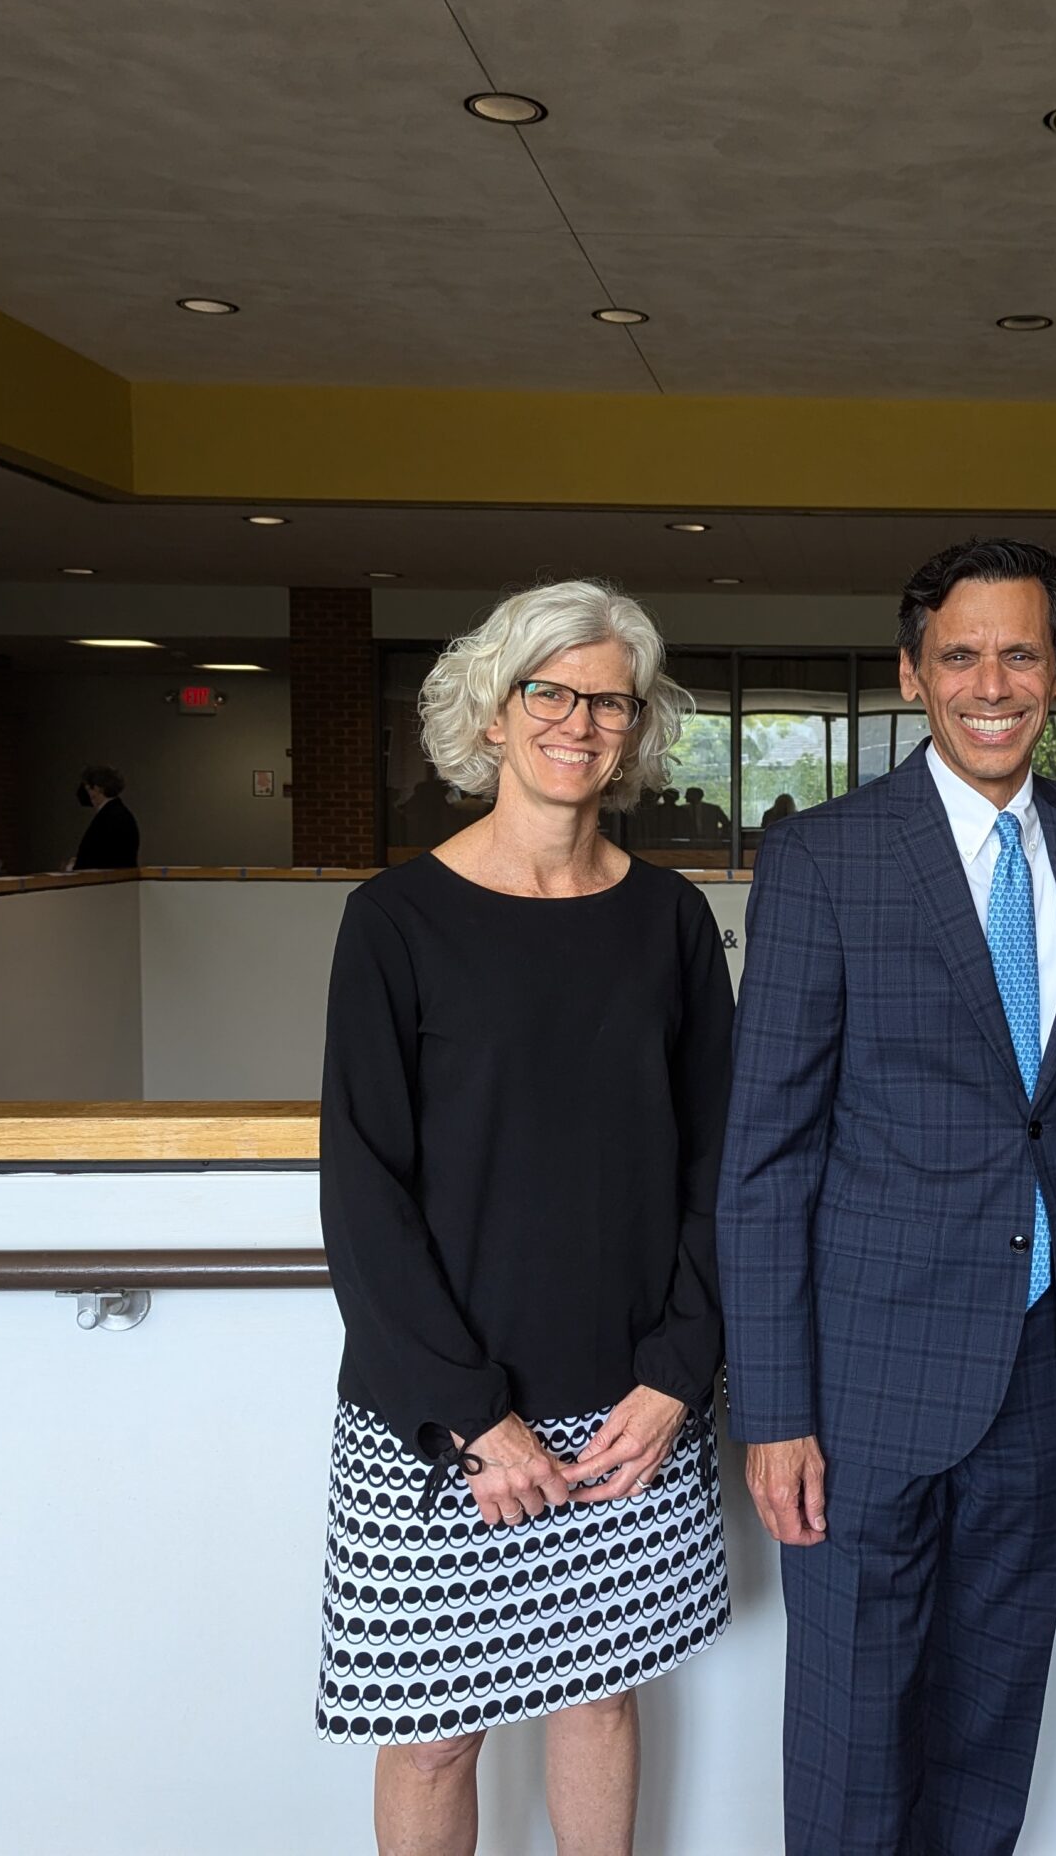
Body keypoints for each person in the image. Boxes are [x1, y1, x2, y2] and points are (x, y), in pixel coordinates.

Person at [719, 538, 1056, 1853]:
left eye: (1021, 652)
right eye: (960, 655)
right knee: (855, 1734)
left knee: (990, 1725)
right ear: (914, 676)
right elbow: (764, 1155)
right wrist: (776, 1409)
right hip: (861, 1387)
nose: (991, 681)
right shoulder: (827, 858)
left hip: (1045, 1366)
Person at [316, 579, 735, 1856]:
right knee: (433, 1731)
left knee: (599, 1698)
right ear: (491, 715)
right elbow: (363, 1186)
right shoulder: (393, 919)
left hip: (627, 1408)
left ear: (637, 727)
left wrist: (676, 1373)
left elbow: (724, 1165)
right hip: (442, 1414)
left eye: (609, 698)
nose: (580, 719)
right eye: (548, 690)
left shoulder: (669, 919)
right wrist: (470, 1407)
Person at [66, 765, 139, 870]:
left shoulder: (107, 819)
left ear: (97, 789)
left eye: (88, 788)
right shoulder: (123, 814)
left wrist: (73, 867)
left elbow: (96, 857)